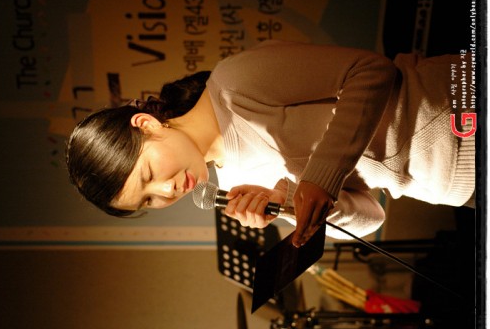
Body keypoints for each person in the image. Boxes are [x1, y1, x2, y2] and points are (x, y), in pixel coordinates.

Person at [66, 40, 476, 247]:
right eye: (148, 200)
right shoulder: (239, 188)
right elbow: (371, 216)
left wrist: (319, 177)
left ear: (146, 124)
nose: (166, 191)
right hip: (456, 189)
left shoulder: (234, 84)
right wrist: (293, 204)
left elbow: (371, 71)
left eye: (148, 175)